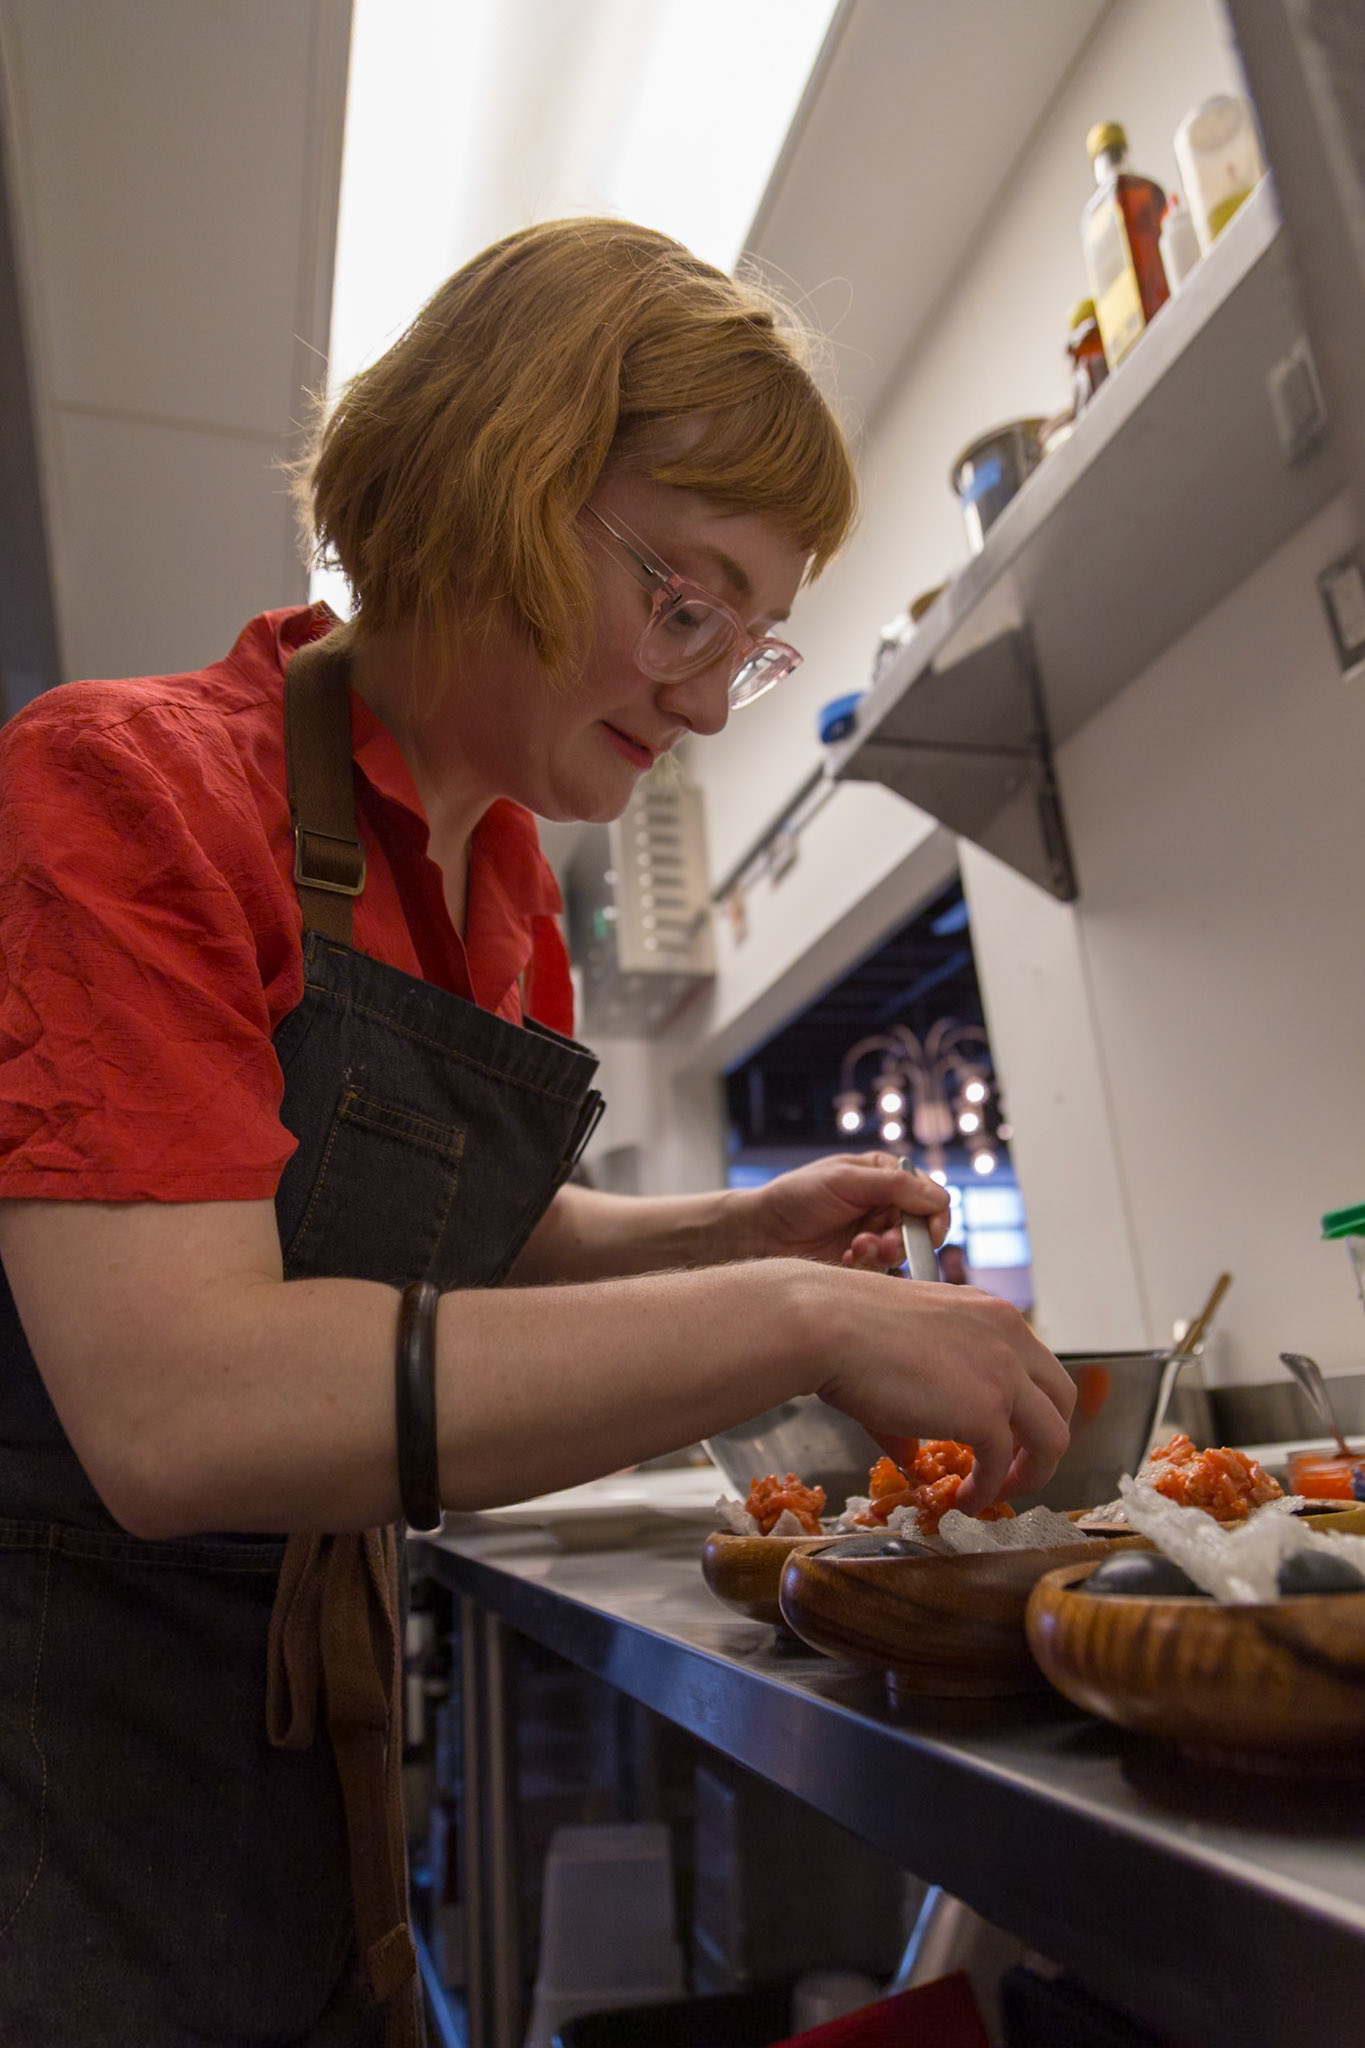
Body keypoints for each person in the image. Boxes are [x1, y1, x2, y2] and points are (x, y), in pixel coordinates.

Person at [0, 219, 1074, 2046]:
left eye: (752, 638)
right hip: (68, 1745)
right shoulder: (122, 788)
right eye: (683, 606)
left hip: (309, 1737)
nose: (708, 696)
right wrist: (797, 1323)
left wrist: (754, 1226)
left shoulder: (500, 883)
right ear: (500, 480)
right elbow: (175, 1405)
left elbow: (484, 1234)